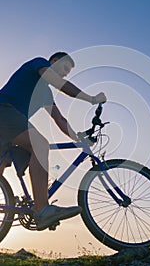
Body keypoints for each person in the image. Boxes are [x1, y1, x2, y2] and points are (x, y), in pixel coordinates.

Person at [0, 52, 106, 230]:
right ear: (54, 62)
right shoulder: (38, 62)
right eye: (64, 68)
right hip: (4, 111)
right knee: (39, 144)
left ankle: (36, 207)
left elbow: (59, 119)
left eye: (67, 72)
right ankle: (42, 210)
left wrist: (79, 138)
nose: (65, 73)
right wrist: (91, 99)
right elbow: (60, 84)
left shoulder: (45, 94)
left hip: (9, 128)